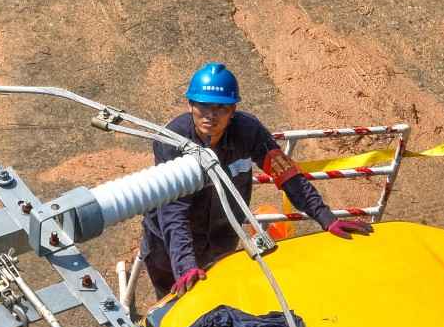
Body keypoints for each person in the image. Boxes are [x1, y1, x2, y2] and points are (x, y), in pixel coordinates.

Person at [140, 62, 372, 298]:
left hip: (222, 235)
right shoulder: (171, 141)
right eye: (203, 105)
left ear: (233, 110)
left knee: (217, 296)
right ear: (190, 104)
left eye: (221, 108)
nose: (211, 115)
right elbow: (173, 210)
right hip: (170, 246)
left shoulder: (248, 131)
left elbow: (286, 173)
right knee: (172, 303)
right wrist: (185, 265)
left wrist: (325, 217)